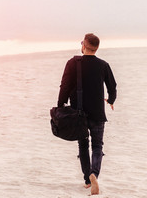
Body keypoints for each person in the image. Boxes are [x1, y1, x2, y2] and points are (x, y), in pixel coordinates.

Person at [57, 33, 117, 195]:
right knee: (97, 146)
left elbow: (65, 85)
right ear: (96, 48)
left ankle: (87, 180)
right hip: (97, 113)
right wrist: (111, 100)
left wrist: (60, 104)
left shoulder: (72, 63)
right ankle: (94, 174)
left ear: (84, 45)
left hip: (78, 114)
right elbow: (112, 86)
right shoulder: (103, 65)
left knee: (83, 146)